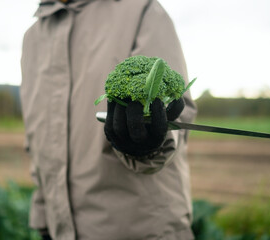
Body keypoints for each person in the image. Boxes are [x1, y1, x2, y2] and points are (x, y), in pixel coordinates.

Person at [20, 0, 197, 239]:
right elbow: (39, 138)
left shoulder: (141, 10)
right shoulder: (32, 39)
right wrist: (44, 217)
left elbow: (173, 106)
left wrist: (148, 141)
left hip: (142, 230)